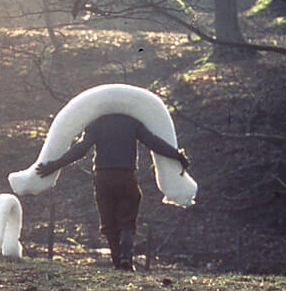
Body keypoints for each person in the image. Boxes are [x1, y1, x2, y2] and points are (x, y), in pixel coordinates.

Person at [35, 114, 190, 271]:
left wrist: (55, 165)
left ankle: (117, 262)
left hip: (103, 178)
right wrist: (177, 155)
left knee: (109, 224)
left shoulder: (97, 122)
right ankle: (126, 260)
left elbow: (81, 149)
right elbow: (155, 143)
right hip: (126, 176)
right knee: (127, 222)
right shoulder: (132, 121)